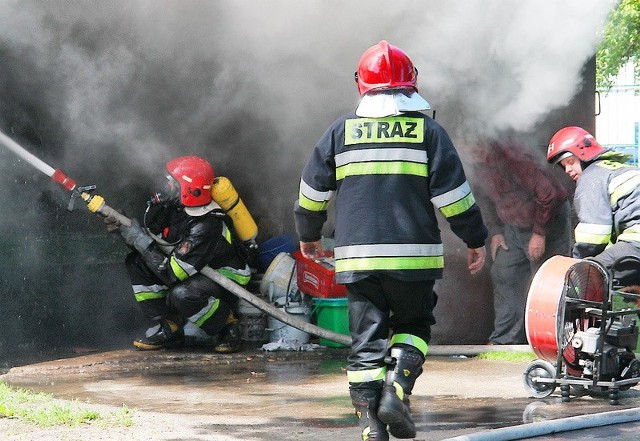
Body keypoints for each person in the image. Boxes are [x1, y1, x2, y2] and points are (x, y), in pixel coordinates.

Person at [294, 41, 488, 441]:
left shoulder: (339, 132)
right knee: (414, 323)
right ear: (410, 83)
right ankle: (396, 390)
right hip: (413, 259)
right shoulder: (429, 133)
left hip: (357, 260)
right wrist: (475, 239)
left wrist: (309, 237)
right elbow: (454, 197)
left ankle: (370, 426)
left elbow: (311, 194)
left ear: (360, 84)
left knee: (366, 340)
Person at [106, 155, 252, 352]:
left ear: (189, 188)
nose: (164, 186)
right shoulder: (174, 207)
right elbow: (154, 245)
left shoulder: (206, 224)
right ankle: (170, 326)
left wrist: (138, 239)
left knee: (182, 294)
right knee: (136, 262)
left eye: (171, 182)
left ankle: (227, 324)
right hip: (192, 267)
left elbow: (173, 273)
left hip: (225, 277)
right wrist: (125, 229)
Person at [470, 139, 572, 345]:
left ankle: (552, 341)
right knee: (504, 272)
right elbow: (483, 198)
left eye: (465, 143)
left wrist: (540, 233)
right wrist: (497, 231)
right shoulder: (476, 167)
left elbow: (550, 195)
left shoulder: (512, 157)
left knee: (546, 280)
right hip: (514, 226)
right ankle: (504, 340)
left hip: (547, 222)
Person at [547, 126, 640, 288]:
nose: (568, 170)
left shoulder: (592, 177)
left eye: (570, 162)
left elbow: (593, 236)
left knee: (587, 276)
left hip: (636, 242)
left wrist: (576, 266)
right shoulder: (615, 169)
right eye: (564, 166)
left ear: (584, 155)